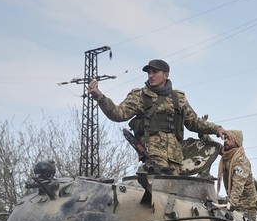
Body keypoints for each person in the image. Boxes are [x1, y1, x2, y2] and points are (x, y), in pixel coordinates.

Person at [88, 59, 228, 175]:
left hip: (175, 157)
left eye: (155, 72)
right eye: (149, 72)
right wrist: (99, 97)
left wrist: (218, 130)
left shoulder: (178, 98)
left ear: (165, 74)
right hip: (153, 155)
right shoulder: (140, 96)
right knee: (158, 190)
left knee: (173, 194)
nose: (150, 75)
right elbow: (118, 114)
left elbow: (194, 122)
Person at [217, 130, 257, 221]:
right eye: (225, 138)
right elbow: (214, 146)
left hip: (246, 208)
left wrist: (231, 202)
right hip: (235, 205)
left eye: (229, 139)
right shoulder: (227, 154)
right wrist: (203, 135)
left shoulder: (241, 161)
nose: (225, 141)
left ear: (236, 141)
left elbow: (238, 184)